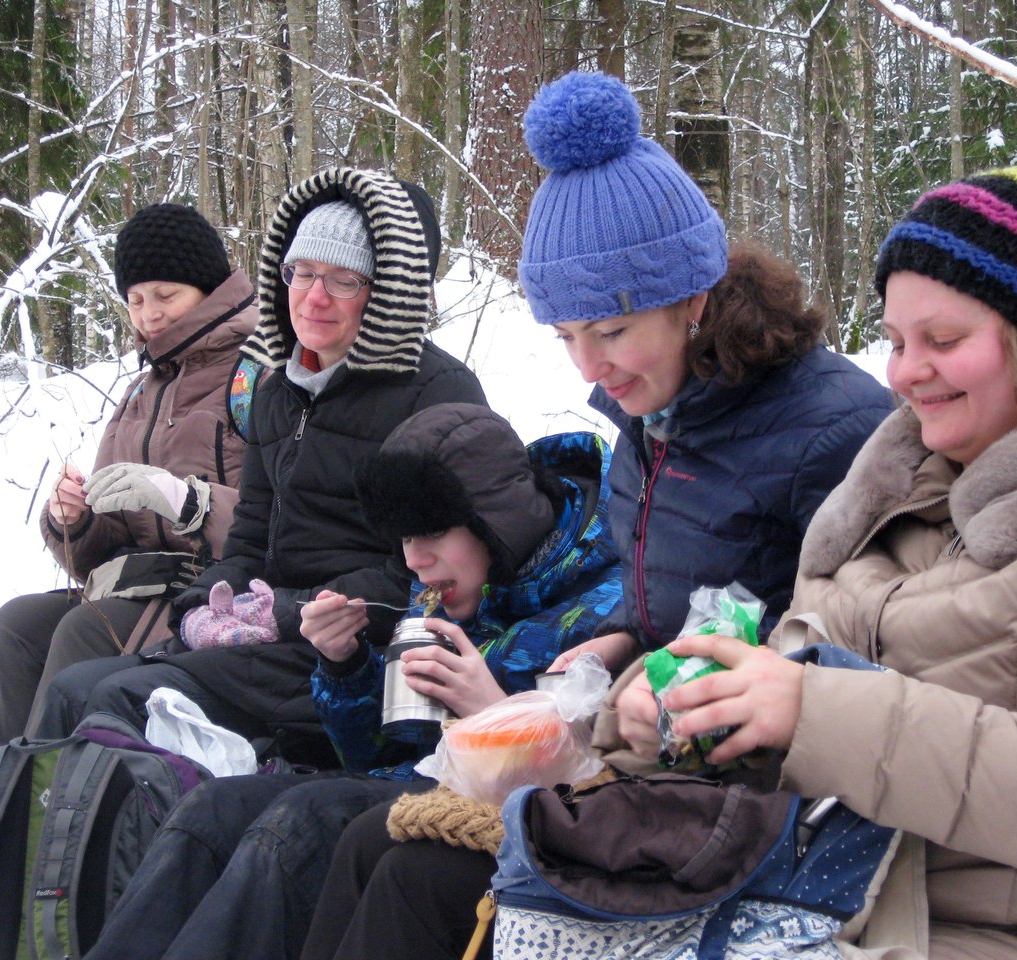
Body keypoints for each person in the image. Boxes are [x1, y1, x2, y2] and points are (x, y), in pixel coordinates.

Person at [300, 69, 894, 960]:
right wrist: (617, 640)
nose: (588, 368)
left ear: (694, 295)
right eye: (565, 337)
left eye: (609, 332)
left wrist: (670, 700)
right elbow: (676, 590)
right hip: (644, 747)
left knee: (419, 879)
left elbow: (849, 646)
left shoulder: (830, 429)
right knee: (365, 843)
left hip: (751, 803)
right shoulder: (651, 420)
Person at [606, 167, 1017, 958]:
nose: (905, 372)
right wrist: (667, 714)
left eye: (943, 341)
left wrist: (810, 708)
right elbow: (785, 698)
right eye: (897, 341)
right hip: (836, 899)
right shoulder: (892, 491)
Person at [82, 402, 623, 960]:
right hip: (408, 780)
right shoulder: (452, 581)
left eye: (433, 531)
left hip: (504, 823)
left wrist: (496, 713)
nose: (416, 560)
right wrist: (343, 665)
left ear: (497, 518)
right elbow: (376, 752)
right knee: (212, 809)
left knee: (302, 823)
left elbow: (594, 774)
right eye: (403, 539)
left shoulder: (608, 602)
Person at [32, 168, 487, 766]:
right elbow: (248, 537)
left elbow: (438, 577)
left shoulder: (435, 390)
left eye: (343, 281)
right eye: (301, 273)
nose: (314, 296)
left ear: (386, 293)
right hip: (266, 638)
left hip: (354, 656)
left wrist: (286, 612)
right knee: (73, 689)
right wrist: (203, 605)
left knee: (121, 700)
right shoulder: (281, 392)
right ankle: (12, 853)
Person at [0, 203, 258, 755]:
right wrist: (74, 521)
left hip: (214, 592)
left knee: (84, 629)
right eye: (135, 299)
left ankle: (43, 825)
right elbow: (103, 549)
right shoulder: (140, 393)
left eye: (165, 295)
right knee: (16, 624)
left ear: (208, 288)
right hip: (135, 585)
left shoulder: (255, 378)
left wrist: (188, 501)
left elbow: (278, 519)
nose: (149, 314)